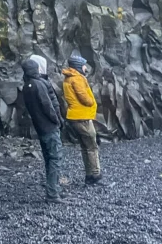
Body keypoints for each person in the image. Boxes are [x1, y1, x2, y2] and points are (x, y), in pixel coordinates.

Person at [21, 55, 65, 203]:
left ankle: (54, 189)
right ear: (36, 69)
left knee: (49, 158)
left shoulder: (27, 85)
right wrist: (57, 120)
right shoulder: (39, 84)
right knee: (55, 158)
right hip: (49, 126)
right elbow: (48, 106)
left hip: (40, 127)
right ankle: (53, 193)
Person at [62, 54, 102, 185]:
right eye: (84, 65)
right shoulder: (77, 78)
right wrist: (91, 101)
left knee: (85, 147)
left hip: (74, 117)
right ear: (79, 66)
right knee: (92, 146)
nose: (86, 67)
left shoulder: (68, 78)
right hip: (82, 117)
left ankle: (89, 175)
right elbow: (84, 97)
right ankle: (95, 175)